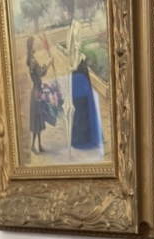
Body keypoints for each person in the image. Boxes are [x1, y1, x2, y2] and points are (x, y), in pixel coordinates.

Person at [60, 4, 102, 152]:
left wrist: (73, 66)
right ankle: (80, 138)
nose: (63, 13)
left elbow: (78, 49)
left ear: (69, 10)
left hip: (80, 69)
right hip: (75, 69)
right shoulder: (70, 27)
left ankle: (88, 140)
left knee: (82, 102)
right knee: (76, 102)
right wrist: (63, 51)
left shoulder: (77, 26)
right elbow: (71, 51)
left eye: (64, 11)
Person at [26, 36, 49, 155]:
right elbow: (41, 72)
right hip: (36, 92)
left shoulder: (31, 59)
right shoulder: (33, 61)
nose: (35, 46)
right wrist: (49, 63)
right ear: (31, 47)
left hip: (36, 90)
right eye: (34, 44)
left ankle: (39, 145)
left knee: (38, 119)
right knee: (36, 121)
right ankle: (33, 146)